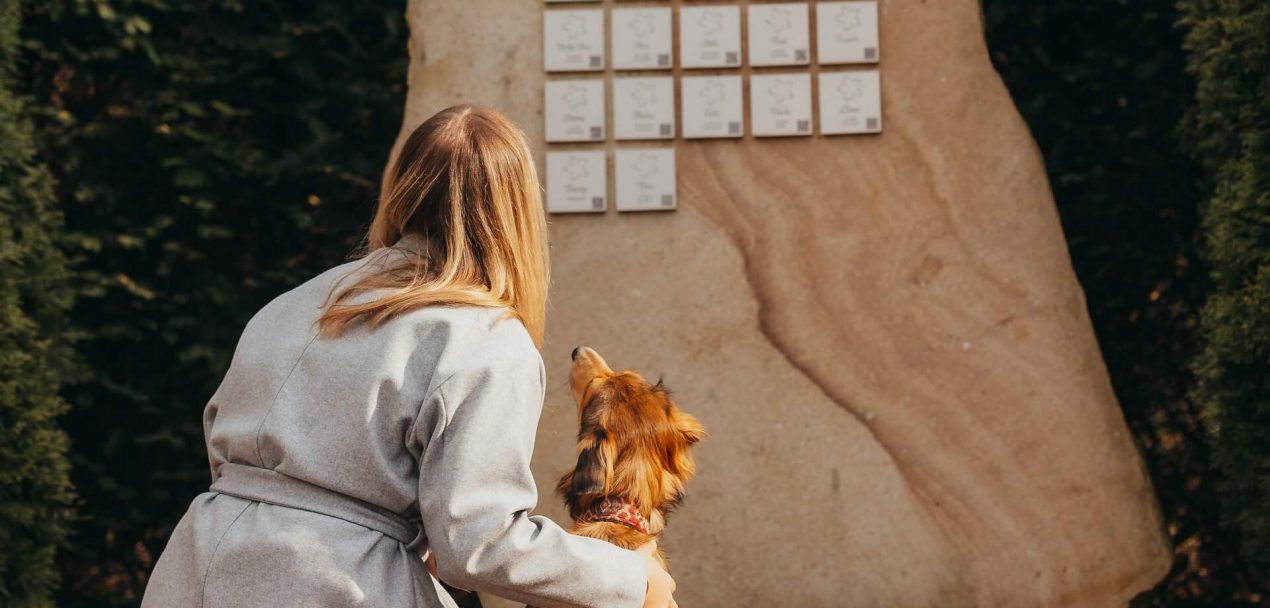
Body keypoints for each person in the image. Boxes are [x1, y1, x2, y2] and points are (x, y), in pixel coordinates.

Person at [141, 105, 677, 608]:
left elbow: (223, 448)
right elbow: (480, 542)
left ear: (400, 190)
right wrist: (632, 579)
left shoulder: (295, 302)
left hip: (196, 570)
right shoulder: (484, 337)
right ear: (517, 214)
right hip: (337, 584)